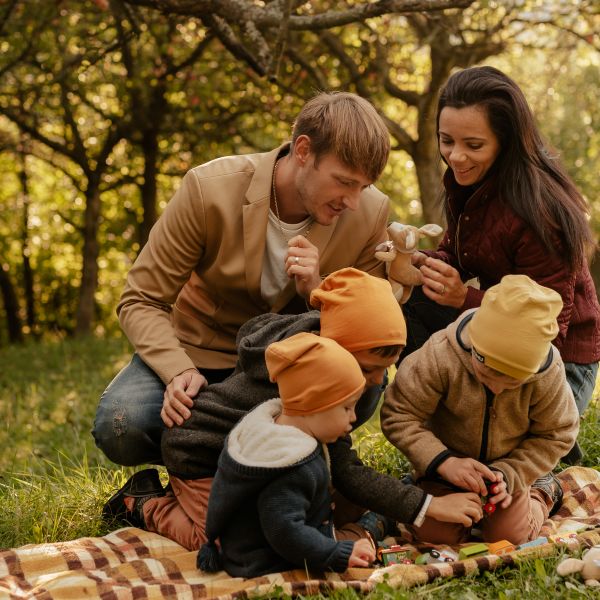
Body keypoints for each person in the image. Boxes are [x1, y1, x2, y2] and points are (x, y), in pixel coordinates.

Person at [93, 91, 393, 467]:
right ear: (303, 150)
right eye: (344, 182)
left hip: (289, 364)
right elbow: (141, 299)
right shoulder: (209, 189)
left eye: (363, 187)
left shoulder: (371, 211)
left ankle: (251, 466)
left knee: (364, 387)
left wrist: (317, 290)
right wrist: (177, 370)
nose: (352, 201)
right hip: (198, 352)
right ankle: (226, 464)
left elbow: (370, 327)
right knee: (123, 424)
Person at [103, 268, 483, 551]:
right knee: (224, 543)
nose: (374, 381)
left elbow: (339, 464)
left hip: (269, 461)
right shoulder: (304, 375)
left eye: (385, 367)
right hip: (202, 454)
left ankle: (374, 516)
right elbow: (347, 470)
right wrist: (428, 506)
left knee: (316, 506)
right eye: (369, 368)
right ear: (336, 347)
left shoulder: (327, 357)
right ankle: (143, 501)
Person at [400, 66, 600, 427]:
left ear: (505, 141)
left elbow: (548, 323)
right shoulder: (469, 180)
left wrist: (462, 298)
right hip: (497, 340)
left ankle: (520, 436)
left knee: (507, 469)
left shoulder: (542, 210)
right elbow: (457, 254)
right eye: (447, 141)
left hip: (557, 363)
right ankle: (435, 426)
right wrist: (413, 261)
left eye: (473, 145)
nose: (456, 156)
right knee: (409, 296)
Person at [381, 275, 580, 546]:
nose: (498, 389)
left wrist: (511, 474)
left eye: (513, 382)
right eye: (487, 375)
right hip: (445, 468)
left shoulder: (547, 374)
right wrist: (443, 462)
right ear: (475, 349)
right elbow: (398, 414)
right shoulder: (441, 355)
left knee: (507, 538)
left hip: (509, 471)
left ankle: (543, 492)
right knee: (437, 537)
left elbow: (558, 433)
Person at [198, 333, 378, 576]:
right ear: (312, 404)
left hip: (271, 540)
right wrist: (338, 552)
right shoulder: (289, 467)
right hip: (266, 559)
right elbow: (285, 532)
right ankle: (373, 526)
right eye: (346, 408)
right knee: (362, 538)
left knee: (360, 501)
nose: (354, 417)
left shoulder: (274, 430)